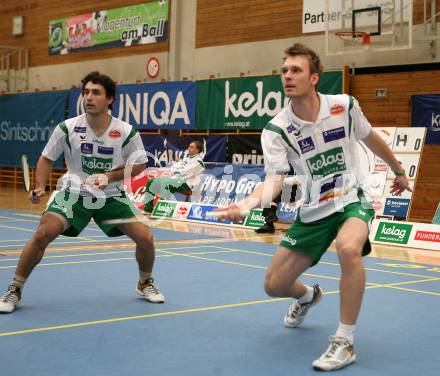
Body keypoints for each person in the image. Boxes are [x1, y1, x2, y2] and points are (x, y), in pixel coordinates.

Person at [214, 43, 411, 371]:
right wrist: (248, 203)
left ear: (314, 77)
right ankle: (307, 296)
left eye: (296, 70)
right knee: (273, 285)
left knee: (349, 249)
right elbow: (275, 180)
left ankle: (344, 340)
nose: (288, 76)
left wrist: (399, 171)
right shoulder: (276, 129)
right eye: (284, 71)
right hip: (313, 211)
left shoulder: (344, 106)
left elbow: (370, 138)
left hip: (350, 199)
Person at [0, 71, 164, 314]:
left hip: (110, 196)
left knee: (146, 238)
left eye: (96, 93)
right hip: (73, 194)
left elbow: (140, 165)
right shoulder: (67, 128)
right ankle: (15, 288)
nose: (89, 97)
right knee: (43, 233)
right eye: (86, 92)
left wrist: (109, 176)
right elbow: (46, 158)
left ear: (109, 99)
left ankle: (145, 282)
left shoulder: (126, 131)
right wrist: (40, 186)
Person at [144, 140, 205, 212]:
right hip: (175, 180)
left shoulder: (199, 162)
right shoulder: (185, 159)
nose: (189, 148)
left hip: (187, 184)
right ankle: (148, 209)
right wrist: (174, 170)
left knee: (165, 181)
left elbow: (185, 172)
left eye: (191, 147)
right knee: (151, 182)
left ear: (197, 150)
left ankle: (164, 208)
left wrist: (175, 171)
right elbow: (172, 168)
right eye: (189, 146)